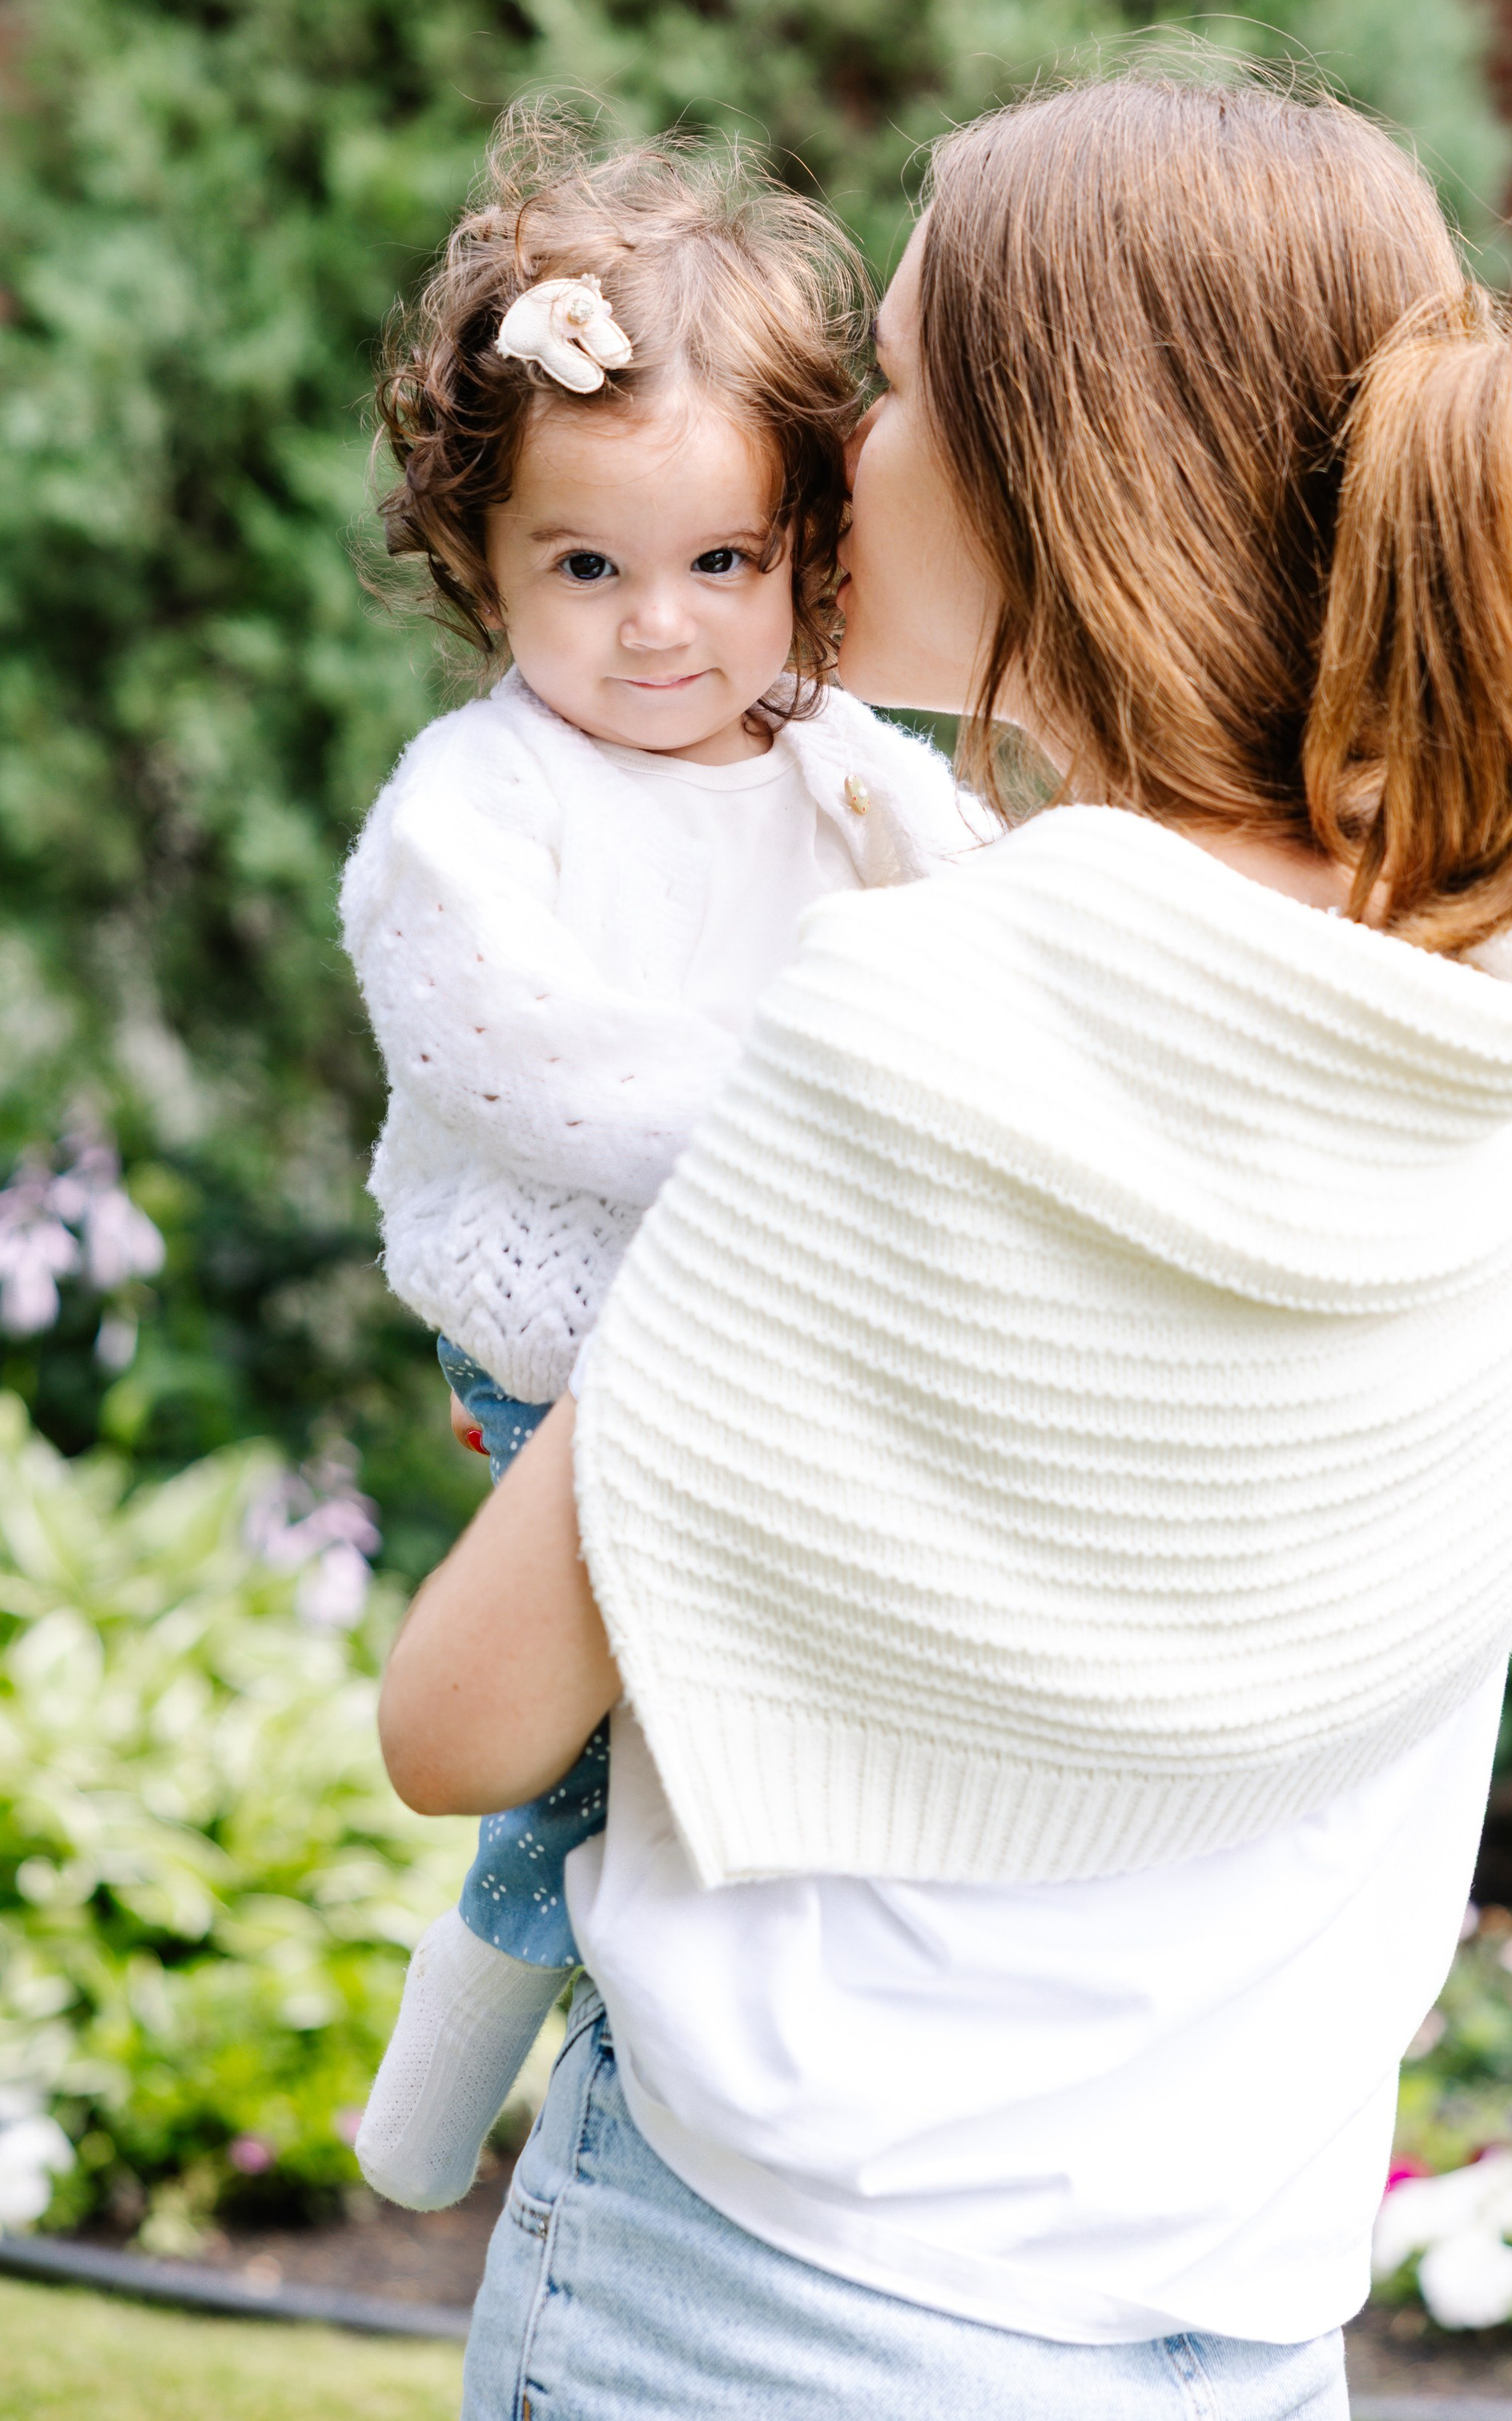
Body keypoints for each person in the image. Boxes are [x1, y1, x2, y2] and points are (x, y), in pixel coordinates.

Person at [376, 70, 1512, 2419]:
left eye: (889, 385)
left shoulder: (929, 1011)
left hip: (778, 2299)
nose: (828, 452)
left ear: (1056, 474)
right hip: (1252, 2287)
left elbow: (462, 1721)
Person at [340, 124, 983, 2213]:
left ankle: (804, 2084)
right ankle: (441, 2117)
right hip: (571, 1346)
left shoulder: (839, 768)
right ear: (483, 561)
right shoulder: (477, 806)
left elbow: (986, 941)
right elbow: (532, 1066)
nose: (656, 632)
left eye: (719, 564)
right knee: (608, 1758)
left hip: (777, 1344)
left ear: (804, 547)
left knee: (741, 1740)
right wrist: (822, 1100)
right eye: (584, 569)